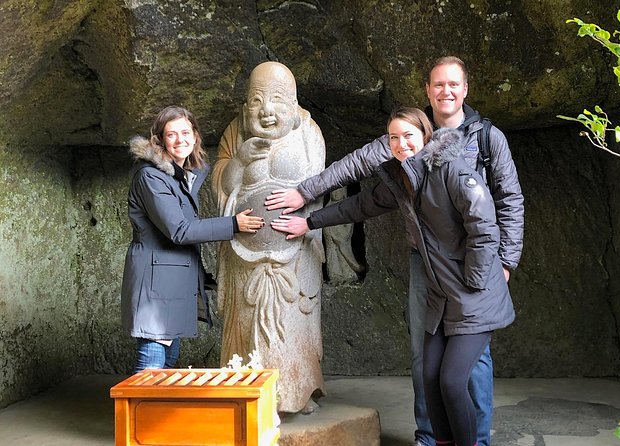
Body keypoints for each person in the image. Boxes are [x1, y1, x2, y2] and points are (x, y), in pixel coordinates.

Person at [265, 56, 524, 446]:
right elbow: (356, 177)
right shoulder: (408, 132)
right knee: (426, 356)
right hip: (429, 265)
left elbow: (508, 202)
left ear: (465, 89)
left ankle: (477, 439)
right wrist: (305, 196)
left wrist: (503, 262)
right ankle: (430, 435)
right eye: (438, 84)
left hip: (474, 264)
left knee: (471, 364)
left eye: (453, 84)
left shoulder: (486, 139)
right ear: (427, 91)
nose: (446, 91)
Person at [211, 61, 327, 414]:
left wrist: (302, 209)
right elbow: (219, 186)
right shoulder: (235, 133)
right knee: (247, 326)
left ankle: (298, 390)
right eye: (258, 100)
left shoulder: (309, 132)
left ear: (293, 104)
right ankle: (246, 391)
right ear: (247, 105)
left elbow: (318, 184)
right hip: (244, 251)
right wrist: (238, 162)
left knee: (293, 323)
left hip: (293, 252)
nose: (267, 110)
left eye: (277, 99)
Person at [120, 105, 264, 373]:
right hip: (156, 284)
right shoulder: (151, 177)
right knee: (152, 366)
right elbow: (180, 230)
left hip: (170, 281)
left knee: (168, 361)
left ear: (195, 136)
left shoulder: (179, 177)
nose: (180, 139)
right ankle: (139, 415)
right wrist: (233, 225)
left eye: (185, 132)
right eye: (171, 134)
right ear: (160, 139)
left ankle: (152, 414)